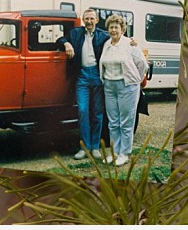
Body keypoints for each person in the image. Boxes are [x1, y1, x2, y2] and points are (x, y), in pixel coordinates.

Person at [59, 9, 109, 160]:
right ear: (83, 20)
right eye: (86, 18)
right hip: (81, 76)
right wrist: (67, 43)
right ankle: (84, 147)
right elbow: (60, 39)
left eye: (91, 18)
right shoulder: (76, 33)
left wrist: (132, 42)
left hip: (97, 75)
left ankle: (95, 147)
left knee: (97, 112)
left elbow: (118, 41)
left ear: (96, 20)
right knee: (82, 111)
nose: (89, 21)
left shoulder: (103, 36)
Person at [100, 14, 149, 166]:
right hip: (109, 85)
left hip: (127, 86)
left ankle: (124, 154)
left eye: (116, 27)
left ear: (122, 29)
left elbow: (142, 64)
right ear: (108, 29)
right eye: (111, 27)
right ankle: (114, 153)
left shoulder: (130, 44)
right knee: (113, 122)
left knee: (126, 122)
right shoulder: (107, 44)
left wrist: (136, 79)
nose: (113, 30)